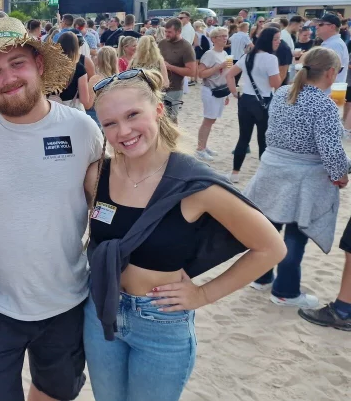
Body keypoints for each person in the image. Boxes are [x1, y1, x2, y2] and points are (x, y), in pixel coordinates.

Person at [84, 67, 285, 401]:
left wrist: (205, 295)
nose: (124, 131)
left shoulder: (193, 184)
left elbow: (270, 247)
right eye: (110, 123)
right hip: (100, 310)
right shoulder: (97, 175)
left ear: (159, 110)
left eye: (133, 115)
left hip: (159, 322)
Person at [0, 16, 103, 401]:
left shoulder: (82, 129)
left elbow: (104, 208)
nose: (9, 78)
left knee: (54, 392)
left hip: (66, 297)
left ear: (38, 64)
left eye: (17, 63)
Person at [244, 47, 348, 310]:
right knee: (295, 234)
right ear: (331, 73)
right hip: (302, 178)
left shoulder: (282, 93)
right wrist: (341, 174)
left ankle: (261, 277)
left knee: (268, 228)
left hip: (271, 169)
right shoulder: (323, 105)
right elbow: (331, 150)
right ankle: (285, 291)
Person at [225, 27, 283, 183]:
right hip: (263, 101)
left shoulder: (248, 56)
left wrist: (234, 92)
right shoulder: (271, 59)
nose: (278, 42)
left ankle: (235, 173)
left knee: (243, 137)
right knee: (263, 139)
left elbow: (229, 75)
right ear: (268, 40)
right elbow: (275, 83)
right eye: (276, 39)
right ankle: (263, 175)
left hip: (246, 100)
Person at [195, 27, 231, 162]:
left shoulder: (225, 53)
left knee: (212, 119)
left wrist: (227, 93)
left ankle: (204, 145)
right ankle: (200, 148)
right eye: (221, 36)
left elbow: (227, 73)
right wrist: (218, 67)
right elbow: (201, 73)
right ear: (214, 39)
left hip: (220, 90)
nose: (224, 38)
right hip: (210, 90)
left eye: (225, 35)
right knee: (208, 119)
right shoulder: (210, 54)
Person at [158, 18, 196, 123]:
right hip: (159, 87)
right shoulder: (162, 44)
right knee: (158, 118)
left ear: (179, 31)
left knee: (171, 119)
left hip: (174, 89)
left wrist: (170, 67)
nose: (166, 34)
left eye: (169, 32)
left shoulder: (186, 48)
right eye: (166, 31)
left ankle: (173, 139)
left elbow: (191, 71)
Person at [54, 31, 91, 111]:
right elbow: (85, 102)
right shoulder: (79, 68)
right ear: (76, 47)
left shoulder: (50, 65)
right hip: (72, 110)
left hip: (52, 109)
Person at [87, 46, 119, 126]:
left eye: (96, 56)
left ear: (99, 60)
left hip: (96, 118)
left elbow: (88, 104)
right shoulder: (119, 79)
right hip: (114, 117)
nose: (94, 57)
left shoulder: (96, 79)